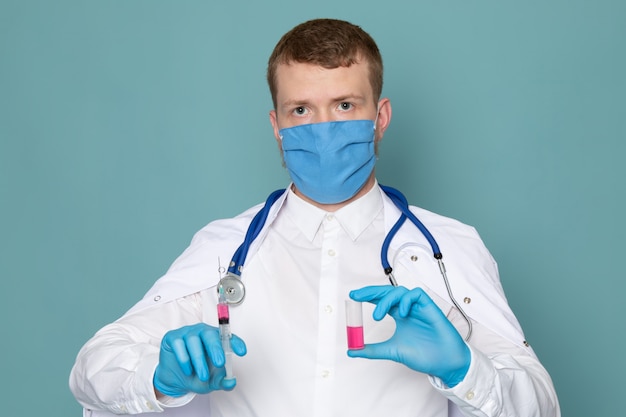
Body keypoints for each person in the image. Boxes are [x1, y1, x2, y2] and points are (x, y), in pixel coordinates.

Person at [69, 18, 560, 417]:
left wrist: (465, 371)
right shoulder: (224, 249)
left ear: (380, 117)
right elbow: (92, 370)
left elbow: (541, 405)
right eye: (301, 110)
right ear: (276, 126)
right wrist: (158, 378)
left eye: (344, 105)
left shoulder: (449, 248)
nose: (323, 129)